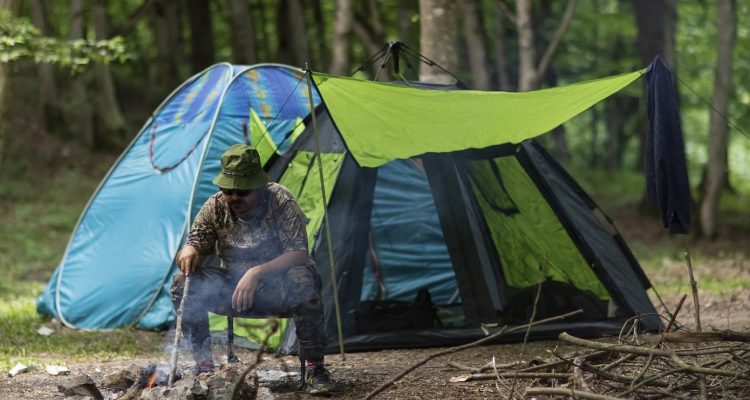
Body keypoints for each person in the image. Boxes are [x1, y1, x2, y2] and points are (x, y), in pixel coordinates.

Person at [170, 144, 336, 394]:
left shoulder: (281, 200)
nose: (234, 197)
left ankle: (316, 368)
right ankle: (204, 368)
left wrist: (256, 272)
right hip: (234, 290)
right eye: (228, 190)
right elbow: (196, 242)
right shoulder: (215, 206)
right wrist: (189, 251)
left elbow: (299, 254)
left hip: (280, 289)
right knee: (183, 283)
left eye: (243, 192)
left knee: (302, 280)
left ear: (258, 187)